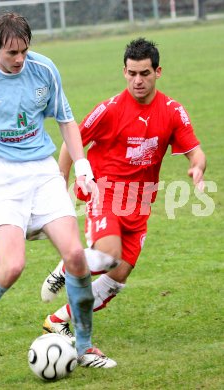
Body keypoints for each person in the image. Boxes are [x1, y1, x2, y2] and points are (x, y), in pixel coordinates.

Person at [0, 12, 118, 381]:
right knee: (11, 267)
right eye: (11, 52)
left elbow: (65, 118)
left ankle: (84, 346)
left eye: (24, 50)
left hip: (42, 171)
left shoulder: (44, 69)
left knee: (76, 258)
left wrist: (81, 164)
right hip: (0, 177)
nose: (19, 59)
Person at [40, 38, 207, 365]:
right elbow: (73, 140)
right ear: (124, 72)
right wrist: (61, 180)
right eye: (131, 73)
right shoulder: (111, 109)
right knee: (108, 254)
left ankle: (58, 320)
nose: (138, 80)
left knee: (118, 276)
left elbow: (195, 150)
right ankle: (67, 265)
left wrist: (197, 166)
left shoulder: (172, 112)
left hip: (140, 205)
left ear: (158, 71)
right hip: (106, 194)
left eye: (145, 73)